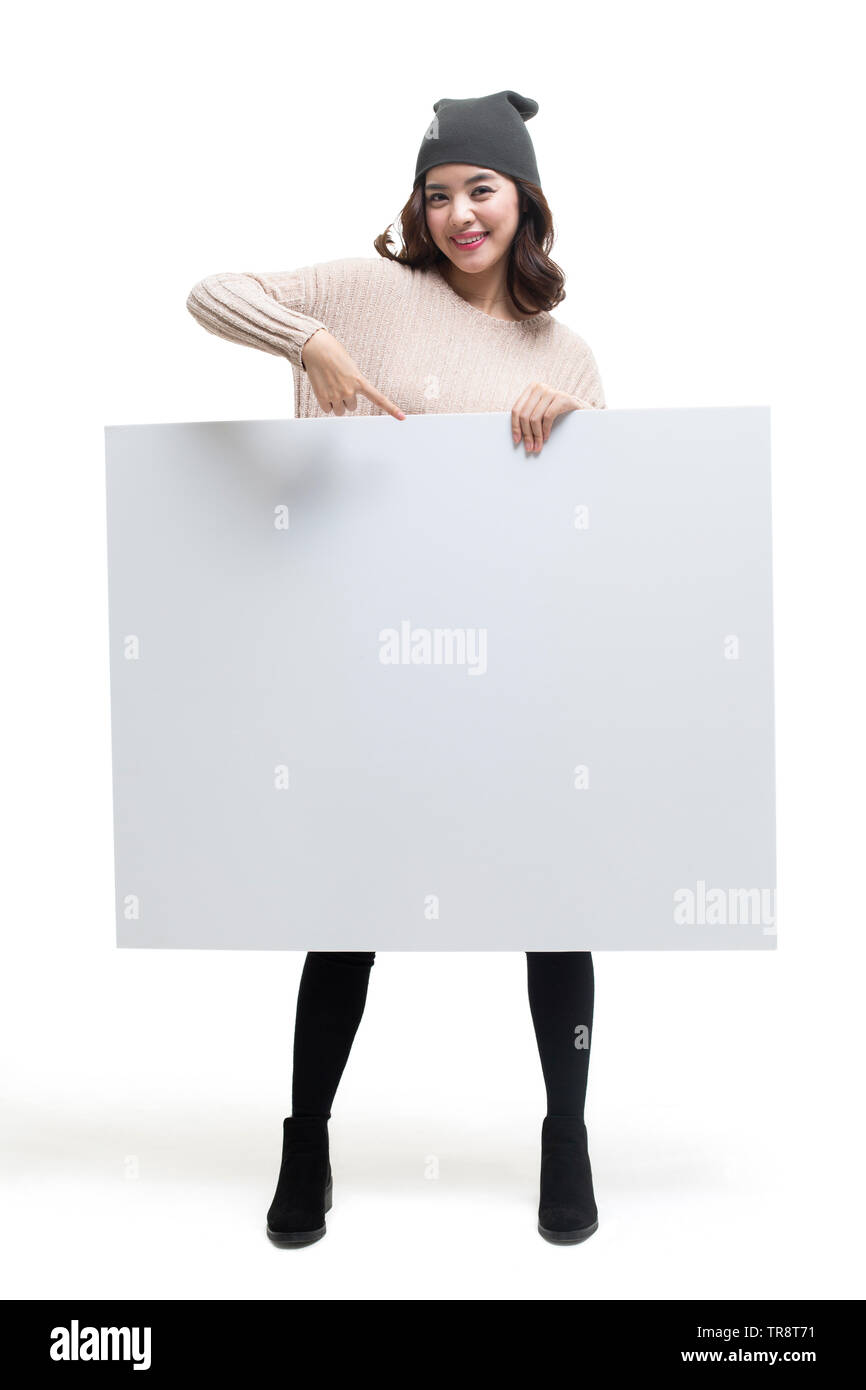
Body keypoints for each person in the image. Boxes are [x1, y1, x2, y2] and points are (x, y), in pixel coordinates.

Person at [186, 89, 606, 1247]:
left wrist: (571, 421)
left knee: (556, 901)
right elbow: (212, 292)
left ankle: (564, 1134)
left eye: (481, 187)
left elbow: (607, 519)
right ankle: (305, 1139)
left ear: (523, 199)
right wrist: (310, 344)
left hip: (508, 667)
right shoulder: (372, 293)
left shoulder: (563, 349)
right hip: (364, 654)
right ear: (415, 211)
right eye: (438, 193)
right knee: (346, 904)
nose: (460, 212)